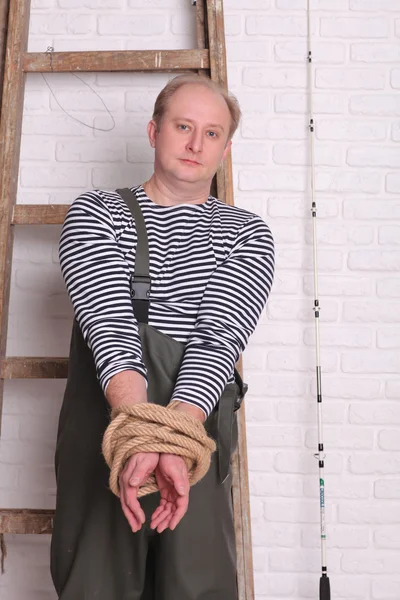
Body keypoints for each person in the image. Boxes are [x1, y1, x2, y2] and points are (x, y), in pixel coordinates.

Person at [51, 73, 275, 600]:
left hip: (191, 449)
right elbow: (109, 330)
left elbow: (218, 340)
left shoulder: (247, 234)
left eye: (213, 133)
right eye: (183, 126)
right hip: (105, 441)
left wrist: (171, 447)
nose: (197, 144)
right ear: (154, 131)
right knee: (94, 588)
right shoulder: (97, 213)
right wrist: (138, 440)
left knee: (195, 588)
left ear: (226, 146)